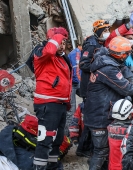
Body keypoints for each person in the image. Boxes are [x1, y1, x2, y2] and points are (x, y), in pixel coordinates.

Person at [83, 36, 133, 169]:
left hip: (101, 112)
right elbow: (127, 88)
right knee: (101, 152)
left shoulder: (112, 62)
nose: (129, 55)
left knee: (103, 152)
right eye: (127, 53)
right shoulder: (109, 68)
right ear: (121, 54)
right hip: (99, 116)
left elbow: (128, 75)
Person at [32, 27, 71, 169]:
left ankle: (53, 166)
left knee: (57, 139)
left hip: (60, 103)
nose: (62, 45)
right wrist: (58, 35)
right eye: (59, 41)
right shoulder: (41, 54)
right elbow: (49, 50)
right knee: (45, 139)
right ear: (52, 41)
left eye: (64, 42)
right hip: (47, 103)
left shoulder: (62, 59)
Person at [79, 19, 110, 101]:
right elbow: (83, 64)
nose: (107, 33)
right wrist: (99, 68)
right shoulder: (91, 44)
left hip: (97, 84)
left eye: (108, 30)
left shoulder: (101, 43)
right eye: (105, 31)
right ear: (99, 32)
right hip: (88, 86)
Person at [66, 45, 82, 135]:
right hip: (73, 83)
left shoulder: (77, 52)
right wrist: (80, 82)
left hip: (74, 82)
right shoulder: (76, 53)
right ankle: (68, 135)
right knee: (71, 111)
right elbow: (76, 71)